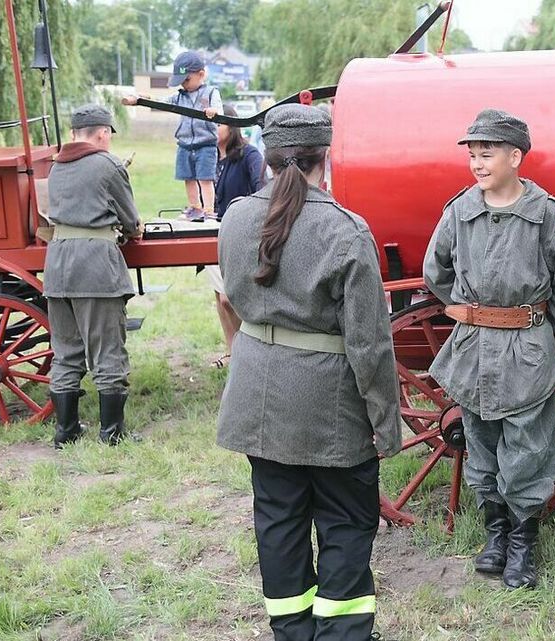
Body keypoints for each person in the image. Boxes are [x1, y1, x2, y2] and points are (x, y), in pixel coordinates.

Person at [216, 104, 402, 640]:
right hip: (328, 405)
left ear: (269, 158)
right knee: (346, 522)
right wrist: (385, 425)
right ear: (327, 157)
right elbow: (369, 343)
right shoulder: (345, 229)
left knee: (277, 522)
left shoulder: (235, 217)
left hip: (256, 395)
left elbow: (234, 295)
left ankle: (293, 633)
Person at [423, 109, 555, 590]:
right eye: (472, 155)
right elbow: (436, 270)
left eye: (488, 153)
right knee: (479, 438)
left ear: (515, 157)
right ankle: (495, 532)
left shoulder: (544, 213)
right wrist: (472, 312)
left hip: (526, 345)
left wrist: (540, 325)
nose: (478, 163)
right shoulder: (458, 211)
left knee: (528, 443)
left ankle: (523, 538)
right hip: (475, 344)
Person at [44, 104, 142, 448]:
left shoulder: (56, 167)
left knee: (66, 351)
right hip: (95, 268)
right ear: (103, 133)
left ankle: (66, 432)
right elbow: (132, 222)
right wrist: (133, 230)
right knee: (108, 351)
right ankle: (112, 433)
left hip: (57, 266)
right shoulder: (108, 164)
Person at [123, 51, 222, 222]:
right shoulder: (179, 96)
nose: (184, 85)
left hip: (205, 143)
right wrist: (141, 98)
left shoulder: (211, 93)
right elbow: (162, 101)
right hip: (184, 143)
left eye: (186, 80)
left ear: (201, 74)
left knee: (205, 178)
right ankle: (194, 207)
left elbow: (219, 109)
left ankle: (208, 210)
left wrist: (214, 111)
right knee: (188, 177)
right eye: (181, 81)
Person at [208, 104, 265, 368]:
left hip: (242, 233)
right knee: (218, 295)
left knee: (229, 297)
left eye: (218, 124)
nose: (213, 129)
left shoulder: (249, 155)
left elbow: (261, 190)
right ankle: (232, 352)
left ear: (231, 127)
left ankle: (248, 352)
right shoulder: (213, 159)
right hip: (218, 231)